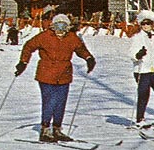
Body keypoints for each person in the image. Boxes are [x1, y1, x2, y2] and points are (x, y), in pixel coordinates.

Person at [15, 14, 96, 143]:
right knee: (50, 101)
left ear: (68, 27)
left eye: (63, 26)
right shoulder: (45, 36)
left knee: (60, 102)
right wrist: (23, 62)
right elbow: (29, 46)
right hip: (46, 73)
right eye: (57, 25)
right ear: (53, 26)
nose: (60, 30)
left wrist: (89, 58)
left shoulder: (71, 38)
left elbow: (80, 49)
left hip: (64, 74)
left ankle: (57, 129)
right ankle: (45, 129)